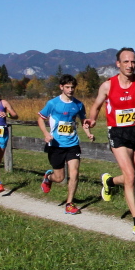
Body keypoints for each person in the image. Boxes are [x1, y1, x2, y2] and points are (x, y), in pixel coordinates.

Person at [84, 47, 135, 237]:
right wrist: (92, 120)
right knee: (130, 176)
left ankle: (109, 181)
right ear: (118, 64)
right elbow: (96, 106)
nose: (130, 65)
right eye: (126, 61)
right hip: (117, 133)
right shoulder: (107, 85)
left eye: (133, 61)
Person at [37, 74, 94, 215]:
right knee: (59, 178)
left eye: (72, 87)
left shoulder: (78, 104)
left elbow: (83, 121)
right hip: (56, 145)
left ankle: (69, 204)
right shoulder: (53, 103)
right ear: (61, 87)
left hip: (73, 144)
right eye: (67, 87)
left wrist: (88, 133)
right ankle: (48, 178)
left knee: (74, 173)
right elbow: (40, 118)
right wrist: (46, 134)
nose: (70, 90)